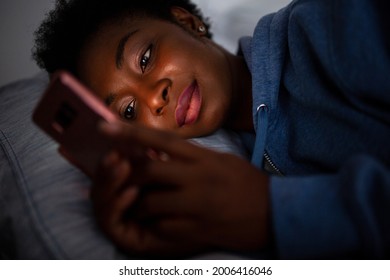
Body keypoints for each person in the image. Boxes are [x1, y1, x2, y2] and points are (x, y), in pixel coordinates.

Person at [32, 0, 390, 259]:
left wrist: (271, 212)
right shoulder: (234, 158)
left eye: (145, 59)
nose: (155, 99)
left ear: (187, 22)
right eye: (128, 111)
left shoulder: (333, 25)